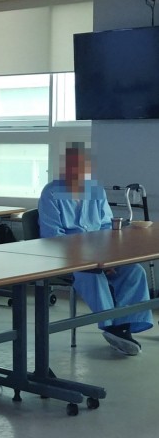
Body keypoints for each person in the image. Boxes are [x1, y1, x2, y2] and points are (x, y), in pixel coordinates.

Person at [38, 143, 153, 356]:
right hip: (66, 257)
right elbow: (52, 236)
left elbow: (106, 227)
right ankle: (111, 326)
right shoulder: (51, 193)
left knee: (134, 271)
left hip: (100, 253)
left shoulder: (95, 190)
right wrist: (92, 259)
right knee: (93, 275)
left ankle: (125, 325)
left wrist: (108, 258)